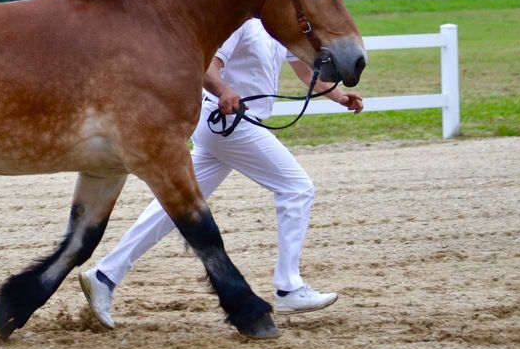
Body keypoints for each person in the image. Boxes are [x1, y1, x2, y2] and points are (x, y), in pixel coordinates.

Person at [79, 18, 363, 329]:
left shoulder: (277, 24)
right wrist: (224, 89)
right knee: (297, 188)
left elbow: (304, 71)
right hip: (231, 123)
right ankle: (289, 287)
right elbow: (207, 66)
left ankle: (105, 275)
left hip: (229, 127)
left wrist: (337, 97)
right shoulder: (239, 24)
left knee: (176, 205)